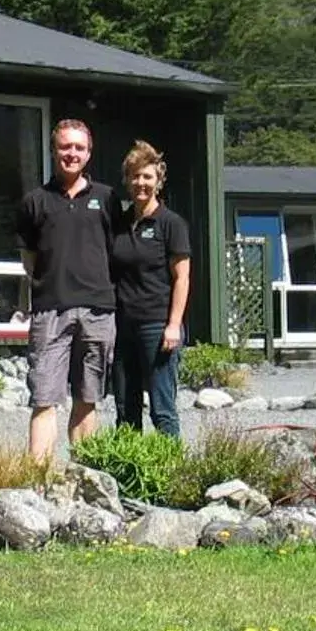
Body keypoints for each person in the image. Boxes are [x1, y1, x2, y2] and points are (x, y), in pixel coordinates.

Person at [16, 119, 115, 463]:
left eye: (79, 147)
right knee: (44, 397)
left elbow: (115, 251)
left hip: (98, 311)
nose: (71, 153)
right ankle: (38, 481)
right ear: (53, 150)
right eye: (65, 146)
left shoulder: (106, 199)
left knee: (88, 397)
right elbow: (29, 259)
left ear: (89, 153)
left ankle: (85, 478)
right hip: (50, 310)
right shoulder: (35, 201)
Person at [108, 140, 192, 439]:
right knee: (124, 407)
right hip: (122, 325)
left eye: (147, 177)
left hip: (156, 326)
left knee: (162, 407)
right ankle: (130, 477)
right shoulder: (119, 222)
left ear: (158, 180)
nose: (140, 183)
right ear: (127, 180)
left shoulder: (171, 224)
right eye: (135, 176)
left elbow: (182, 278)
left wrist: (173, 325)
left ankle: (172, 474)